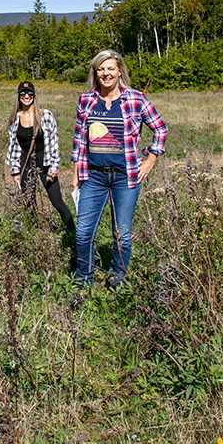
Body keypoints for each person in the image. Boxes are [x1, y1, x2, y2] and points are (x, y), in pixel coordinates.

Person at [71, 50, 167, 287]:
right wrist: (74, 174)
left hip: (126, 177)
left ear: (119, 71)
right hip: (93, 177)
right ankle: (84, 280)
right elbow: (79, 140)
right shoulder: (87, 100)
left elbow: (160, 129)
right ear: (96, 73)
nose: (106, 73)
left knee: (122, 234)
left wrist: (150, 160)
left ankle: (117, 279)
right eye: (101, 69)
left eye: (111, 69)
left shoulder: (136, 99)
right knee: (83, 232)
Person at [6, 81, 76, 231]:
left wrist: (54, 167)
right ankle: (34, 233)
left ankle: (74, 234)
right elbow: (14, 147)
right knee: (28, 202)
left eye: (30, 93)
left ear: (34, 96)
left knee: (57, 202)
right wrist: (16, 171)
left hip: (44, 161)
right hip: (25, 162)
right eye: (23, 94)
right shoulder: (15, 119)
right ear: (18, 97)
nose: (26, 96)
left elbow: (54, 142)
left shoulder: (45, 115)